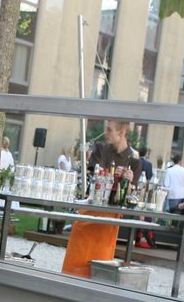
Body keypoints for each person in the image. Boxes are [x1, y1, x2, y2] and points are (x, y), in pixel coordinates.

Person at [61, 119, 142, 278]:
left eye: (109, 130)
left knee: (99, 266)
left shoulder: (134, 161)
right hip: (89, 213)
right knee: (75, 265)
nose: (105, 133)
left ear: (122, 132)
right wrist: (117, 178)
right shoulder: (100, 149)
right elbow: (97, 178)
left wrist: (128, 182)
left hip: (109, 220)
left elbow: (130, 195)